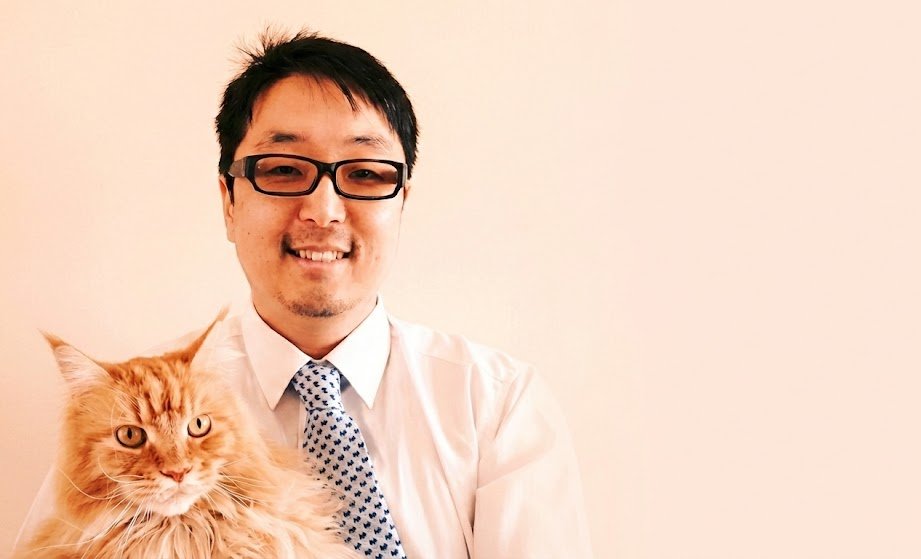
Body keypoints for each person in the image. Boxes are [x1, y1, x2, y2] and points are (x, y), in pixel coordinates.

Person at [17, 30, 592, 558]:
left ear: (401, 204)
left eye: (364, 174)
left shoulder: (495, 403)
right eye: (284, 170)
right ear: (228, 201)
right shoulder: (115, 409)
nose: (323, 210)